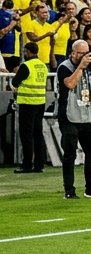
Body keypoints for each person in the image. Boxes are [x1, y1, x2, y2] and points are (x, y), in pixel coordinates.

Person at [56, 39, 91, 199]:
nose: (85, 56)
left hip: (88, 114)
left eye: (87, 53)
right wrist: (80, 66)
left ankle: (90, 188)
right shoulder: (65, 67)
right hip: (69, 115)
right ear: (73, 53)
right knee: (70, 153)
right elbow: (69, 84)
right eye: (81, 53)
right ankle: (69, 190)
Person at [13, 41, 48, 173]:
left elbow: (15, 82)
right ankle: (39, 164)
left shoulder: (26, 65)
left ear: (27, 52)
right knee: (37, 134)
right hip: (40, 102)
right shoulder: (43, 66)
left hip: (27, 103)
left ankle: (27, 164)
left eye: (25, 51)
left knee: (26, 135)